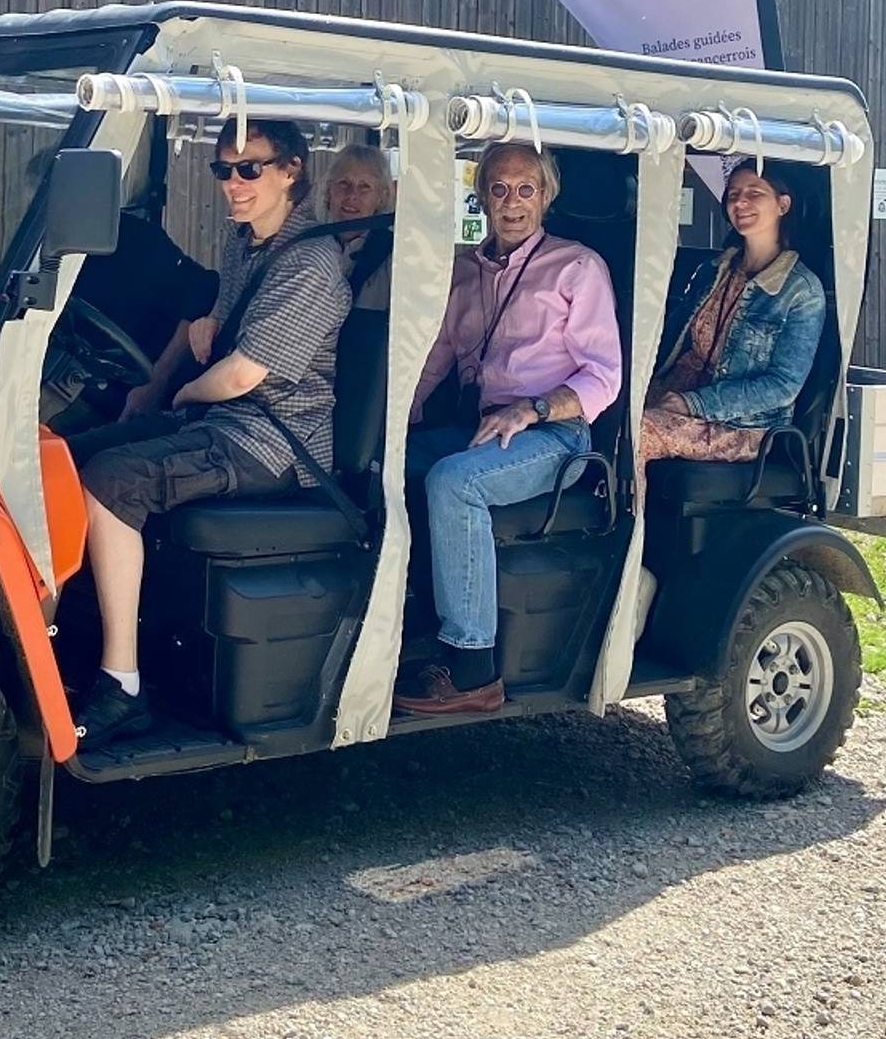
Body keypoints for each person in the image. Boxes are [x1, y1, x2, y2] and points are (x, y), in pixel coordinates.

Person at [71, 120, 351, 746]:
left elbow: (240, 375)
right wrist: (171, 379)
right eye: (223, 171)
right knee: (62, 455)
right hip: (225, 422)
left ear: (291, 171)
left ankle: (123, 685)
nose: (233, 184)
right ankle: (68, 638)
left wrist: (180, 393)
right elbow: (212, 329)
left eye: (249, 169)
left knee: (113, 480)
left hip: (276, 443)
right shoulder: (244, 243)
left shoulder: (311, 262)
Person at [393, 142, 622, 717]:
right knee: (394, 465)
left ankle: (472, 666)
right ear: (481, 197)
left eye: (526, 189)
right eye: (499, 189)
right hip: (486, 426)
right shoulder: (466, 269)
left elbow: (605, 376)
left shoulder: (578, 267)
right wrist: (393, 421)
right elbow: (438, 357)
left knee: (453, 482)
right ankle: (411, 618)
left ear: (546, 196)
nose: (512, 202)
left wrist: (534, 411)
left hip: (556, 436)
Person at [638, 161, 826, 484]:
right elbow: (669, 340)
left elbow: (782, 386)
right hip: (675, 393)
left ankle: (634, 533)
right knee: (597, 416)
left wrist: (695, 403)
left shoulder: (801, 291)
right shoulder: (714, 270)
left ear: (783, 204)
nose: (740, 203)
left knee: (635, 435)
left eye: (755, 193)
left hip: (741, 425)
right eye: (733, 194)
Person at [323, 144, 396, 311]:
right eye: (343, 183)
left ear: (381, 197)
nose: (352, 195)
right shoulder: (304, 245)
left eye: (365, 187)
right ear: (329, 190)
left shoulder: (394, 256)